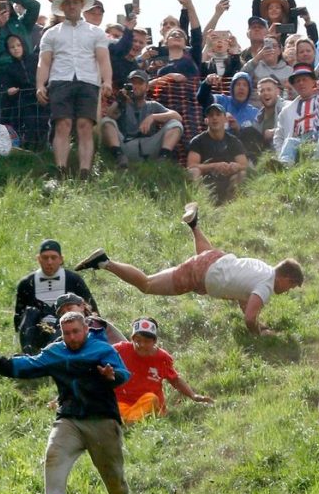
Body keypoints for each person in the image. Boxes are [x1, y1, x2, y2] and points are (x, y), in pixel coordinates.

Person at [0, 311, 147, 494]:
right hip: (69, 419)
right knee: (54, 454)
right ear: (61, 334)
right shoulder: (56, 353)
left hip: (102, 421)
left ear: (86, 330)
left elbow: (122, 374)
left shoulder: (102, 350)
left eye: (76, 332)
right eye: (67, 333)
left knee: (114, 480)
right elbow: (26, 365)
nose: (71, 337)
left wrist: (111, 376)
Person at [72, 203, 304, 335]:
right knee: (147, 285)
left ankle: (194, 224)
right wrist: (258, 333)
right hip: (200, 273)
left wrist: (257, 322)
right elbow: (250, 316)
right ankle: (105, 262)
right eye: (292, 286)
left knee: (204, 256)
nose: (289, 290)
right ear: (286, 278)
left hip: (213, 258)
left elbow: (243, 297)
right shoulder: (266, 286)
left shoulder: (262, 268)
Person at [36, 0, 112, 179]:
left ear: (81, 4)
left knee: (85, 125)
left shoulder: (95, 32)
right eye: (67, 2)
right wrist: (40, 85)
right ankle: (60, 169)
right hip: (60, 81)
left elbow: (103, 59)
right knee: (63, 124)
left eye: (75, 1)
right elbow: (44, 62)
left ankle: (85, 171)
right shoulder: (51, 34)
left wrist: (107, 81)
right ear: (61, 6)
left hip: (88, 81)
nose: (71, 5)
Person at [113, 317, 212, 423]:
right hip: (122, 402)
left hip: (148, 404)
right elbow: (99, 357)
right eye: (138, 341)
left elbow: (175, 380)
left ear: (154, 341)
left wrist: (193, 395)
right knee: (111, 404)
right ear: (132, 339)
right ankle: (129, 421)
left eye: (146, 341)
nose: (141, 345)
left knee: (151, 398)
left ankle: (129, 422)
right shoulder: (119, 350)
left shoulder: (162, 358)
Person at [14, 239, 98, 354]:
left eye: (53, 258)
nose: (49, 262)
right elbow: (19, 316)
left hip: (66, 330)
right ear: (38, 259)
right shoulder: (26, 283)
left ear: (61, 259)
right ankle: (29, 355)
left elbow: (91, 308)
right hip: (36, 330)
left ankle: (56, 353)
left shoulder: (73, 279)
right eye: (45, 258)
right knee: (29, 312)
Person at [100, 69, 183, 168]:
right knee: (106, 122)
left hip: (149, 145)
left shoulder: (153, 105)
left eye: (140, 83)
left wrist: (153, 117)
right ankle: (119, 157)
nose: (136, 86)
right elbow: (108, 117)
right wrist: (119, 101)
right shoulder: (122, 104)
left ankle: (162, 160)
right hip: (126, 145)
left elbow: (177, 117)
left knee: (175, 124)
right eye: (133, 83)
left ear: (147, 87)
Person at [273, 62, 319, 166]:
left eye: (304, 79)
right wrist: (280, 152)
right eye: (297, 81)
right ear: (294, 86)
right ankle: (284, 164)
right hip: (302, 141)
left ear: (313, 82)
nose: (301, 83)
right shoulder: (286, 110)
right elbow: (278, 137)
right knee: (290, 141)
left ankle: (317, 160)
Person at [186, 103, 249, 204]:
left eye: (218, 114)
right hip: (206, 183)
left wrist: (236, 166)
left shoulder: (234, 141)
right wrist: (213, 166)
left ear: (225, 119)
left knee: (243, 174)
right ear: (206, 120)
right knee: (193, 172)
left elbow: (244, 165)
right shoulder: (197, 141)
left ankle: (232, 207)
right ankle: (204, 205)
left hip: (228, 183)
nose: (214, 118)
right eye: (211, 115)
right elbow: (191, 166)